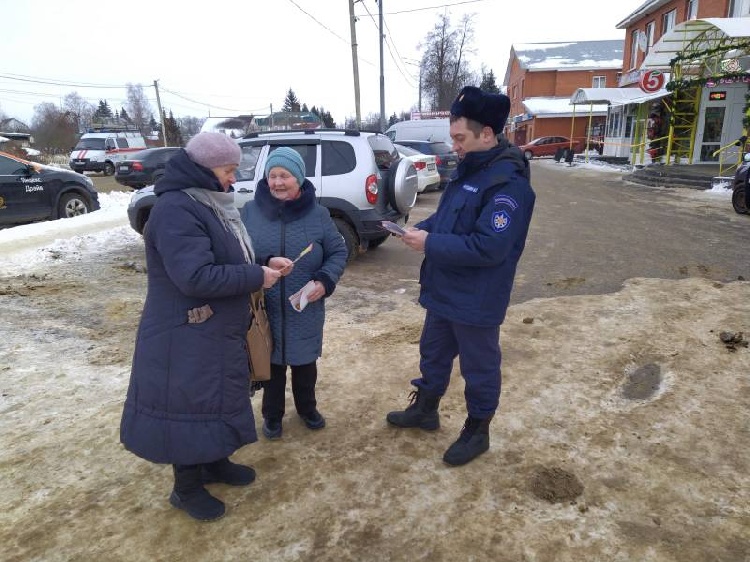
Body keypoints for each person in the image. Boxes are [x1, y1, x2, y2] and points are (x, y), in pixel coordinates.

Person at [120, 132, 293, 521]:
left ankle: (214, 460)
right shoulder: (176, 210)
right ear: (205, 168)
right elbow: (195, 276)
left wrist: (264, 260)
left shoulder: (209, 203)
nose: (234, 178)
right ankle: (186, 488)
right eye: (229, 170)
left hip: (212, 329)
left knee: (215, 397)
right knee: (188, 404)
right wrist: (256, 276)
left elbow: (225, 253)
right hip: (184, 332)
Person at [386, 86, 536, 467]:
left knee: (479, 368)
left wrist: (430, 243)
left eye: (460, 138)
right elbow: (449, 217)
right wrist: (419, 229)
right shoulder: (470, 170)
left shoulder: (508, 185)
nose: (454, 145)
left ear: (487, 134)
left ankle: (478, 430)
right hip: (444, 289)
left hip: (477, 298)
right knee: (433, 354)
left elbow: (490, 247)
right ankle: (426, 409)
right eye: (452, 137)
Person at [241, 147, 347, 440]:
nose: (277, 182)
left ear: (298, 178)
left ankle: (307, 409)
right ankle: (271, 415)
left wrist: (325, 280)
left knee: (304, 366)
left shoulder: (319, 214)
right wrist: (263, 263)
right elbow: (238, 252)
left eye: (284, 176)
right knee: (271, 365)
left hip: (306, 307)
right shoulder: (250, 212)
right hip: (266, 306)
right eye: (272, 175)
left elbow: (338, 251)